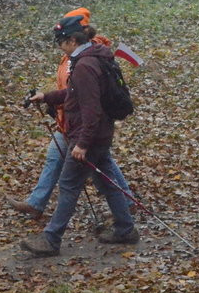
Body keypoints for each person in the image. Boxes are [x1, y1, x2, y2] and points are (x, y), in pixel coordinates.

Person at [20, 15, 138, 256]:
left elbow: (91, 110)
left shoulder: (84, 66)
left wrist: (82, 144)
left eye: (60, 42)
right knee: (108, 184)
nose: (59, 47)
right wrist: (46, 97)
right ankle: (125, 229)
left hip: (89, 137)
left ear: (73, 41)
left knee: (68, 185)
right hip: (101, 135)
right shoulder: (95, 56)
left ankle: (51, 240)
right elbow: (75, 94)